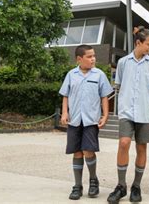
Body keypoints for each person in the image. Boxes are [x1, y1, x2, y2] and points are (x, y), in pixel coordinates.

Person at [107, 26, 149, 204]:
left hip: (145, 113)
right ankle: (121, 185)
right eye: (148, 44)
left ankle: (136, 186)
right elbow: (119, 86)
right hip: (126, 111)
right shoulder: (124, 62)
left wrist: (147, 104)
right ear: (138, 43)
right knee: (124, 143)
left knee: (141, 148)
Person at [59, 44, 113, 200]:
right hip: (74, 120)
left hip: (91, 120)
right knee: (76, 152)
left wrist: (105, 115)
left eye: (94, 55)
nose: (93, 59)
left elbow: (104, 96)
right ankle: (77, 186)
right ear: (79, 59)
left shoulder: (99, 75)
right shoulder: (71, 75)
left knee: (89, 151)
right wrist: (64, 112)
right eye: (89, 57)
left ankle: (93, 180)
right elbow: (65, 95)